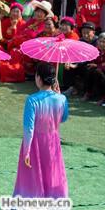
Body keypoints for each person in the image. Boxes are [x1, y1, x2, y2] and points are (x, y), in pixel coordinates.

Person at [13, 62, 69, 198]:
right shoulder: (62, 99)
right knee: (51, 174)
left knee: (32, 178)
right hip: (53, 142)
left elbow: (29, 128)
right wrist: (60, 97)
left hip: (35, 144)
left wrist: (26, 151)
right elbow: (63, 118)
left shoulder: (32, 100)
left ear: (38, 78)